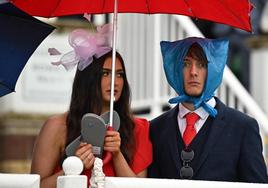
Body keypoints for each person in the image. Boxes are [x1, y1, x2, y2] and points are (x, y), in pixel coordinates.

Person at [30, 24, 152, 188]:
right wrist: (74, 168)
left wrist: (116, 154)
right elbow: (36, 185)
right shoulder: (57, 126)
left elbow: (139, 186)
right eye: (105, 73)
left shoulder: (138, 128)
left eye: (120, 74)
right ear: (88, 78)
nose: (115, 82)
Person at [148, 37, 268, 183]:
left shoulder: (243, 127)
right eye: (186, 64)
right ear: (174, 68)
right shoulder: (155, 128)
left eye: (202, 64)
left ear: (214, 68)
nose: (193, 72)